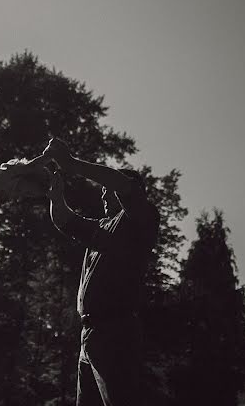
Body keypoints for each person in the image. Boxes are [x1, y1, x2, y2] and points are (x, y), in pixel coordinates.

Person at [43, 138, 159, 406]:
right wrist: (55, 193)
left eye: (109, 190)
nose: (104, 195)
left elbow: (123, 185)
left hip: (116, 332)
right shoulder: (102, 227)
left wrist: (71, 163)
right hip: (90, 336)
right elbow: (63, 221)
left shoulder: (141, 219)